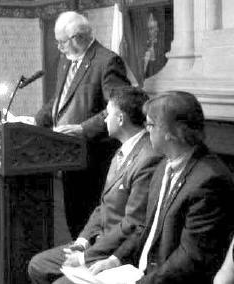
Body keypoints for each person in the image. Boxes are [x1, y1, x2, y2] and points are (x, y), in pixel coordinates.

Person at [88, 91, 234, 283]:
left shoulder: (210, 180)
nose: (146, 131)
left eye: (150, 125)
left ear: (172, 133)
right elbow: (146, 227)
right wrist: (115, 260)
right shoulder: (163, 166)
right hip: (142, 273)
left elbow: (190, 258)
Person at [28, 87, 161, 284]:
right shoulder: (122, 151)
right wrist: (82, 242)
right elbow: (103, 206)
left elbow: (133, 224)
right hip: (97, 243)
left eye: (108, 114)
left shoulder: (147, 158)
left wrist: (85, 257)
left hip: (118, 253)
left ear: (121, 119)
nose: (105, 120)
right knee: (38, 265)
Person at [35, 11, 131, 237]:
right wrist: (35, 121)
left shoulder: (107, 61)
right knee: (72, 216)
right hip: (69, 154)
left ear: (77, 38)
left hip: (94, 156)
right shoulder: (66, 61)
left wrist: (82, 129)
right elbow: (60, 99)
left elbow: (118, 106)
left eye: (61, 42)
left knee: (88, 220)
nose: (59, 48)